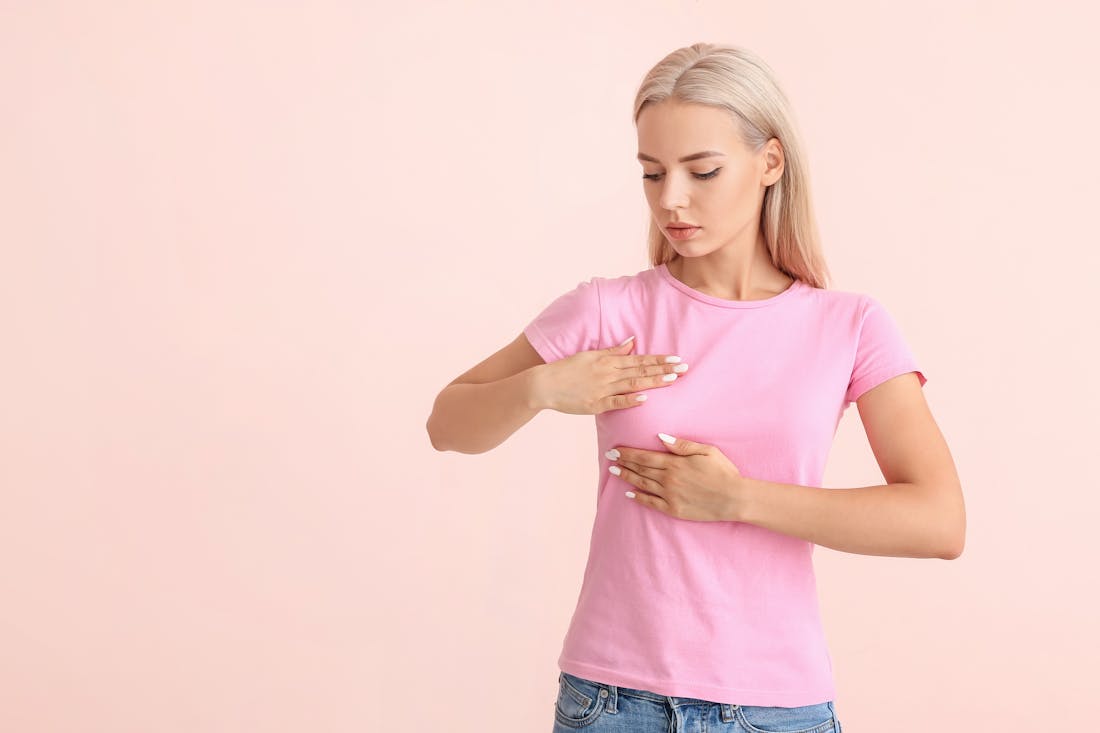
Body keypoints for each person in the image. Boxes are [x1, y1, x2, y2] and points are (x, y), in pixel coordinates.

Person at [427, 42, 964, 733]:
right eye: (652, 174)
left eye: (701, 171)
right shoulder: (608, 310)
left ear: (770, 162)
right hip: (613, 700)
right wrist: (540, 388)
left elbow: (940, 520)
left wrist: (736, 497)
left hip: (778, 708)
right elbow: (447, 423)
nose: (671, 200)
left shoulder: (849, 326)